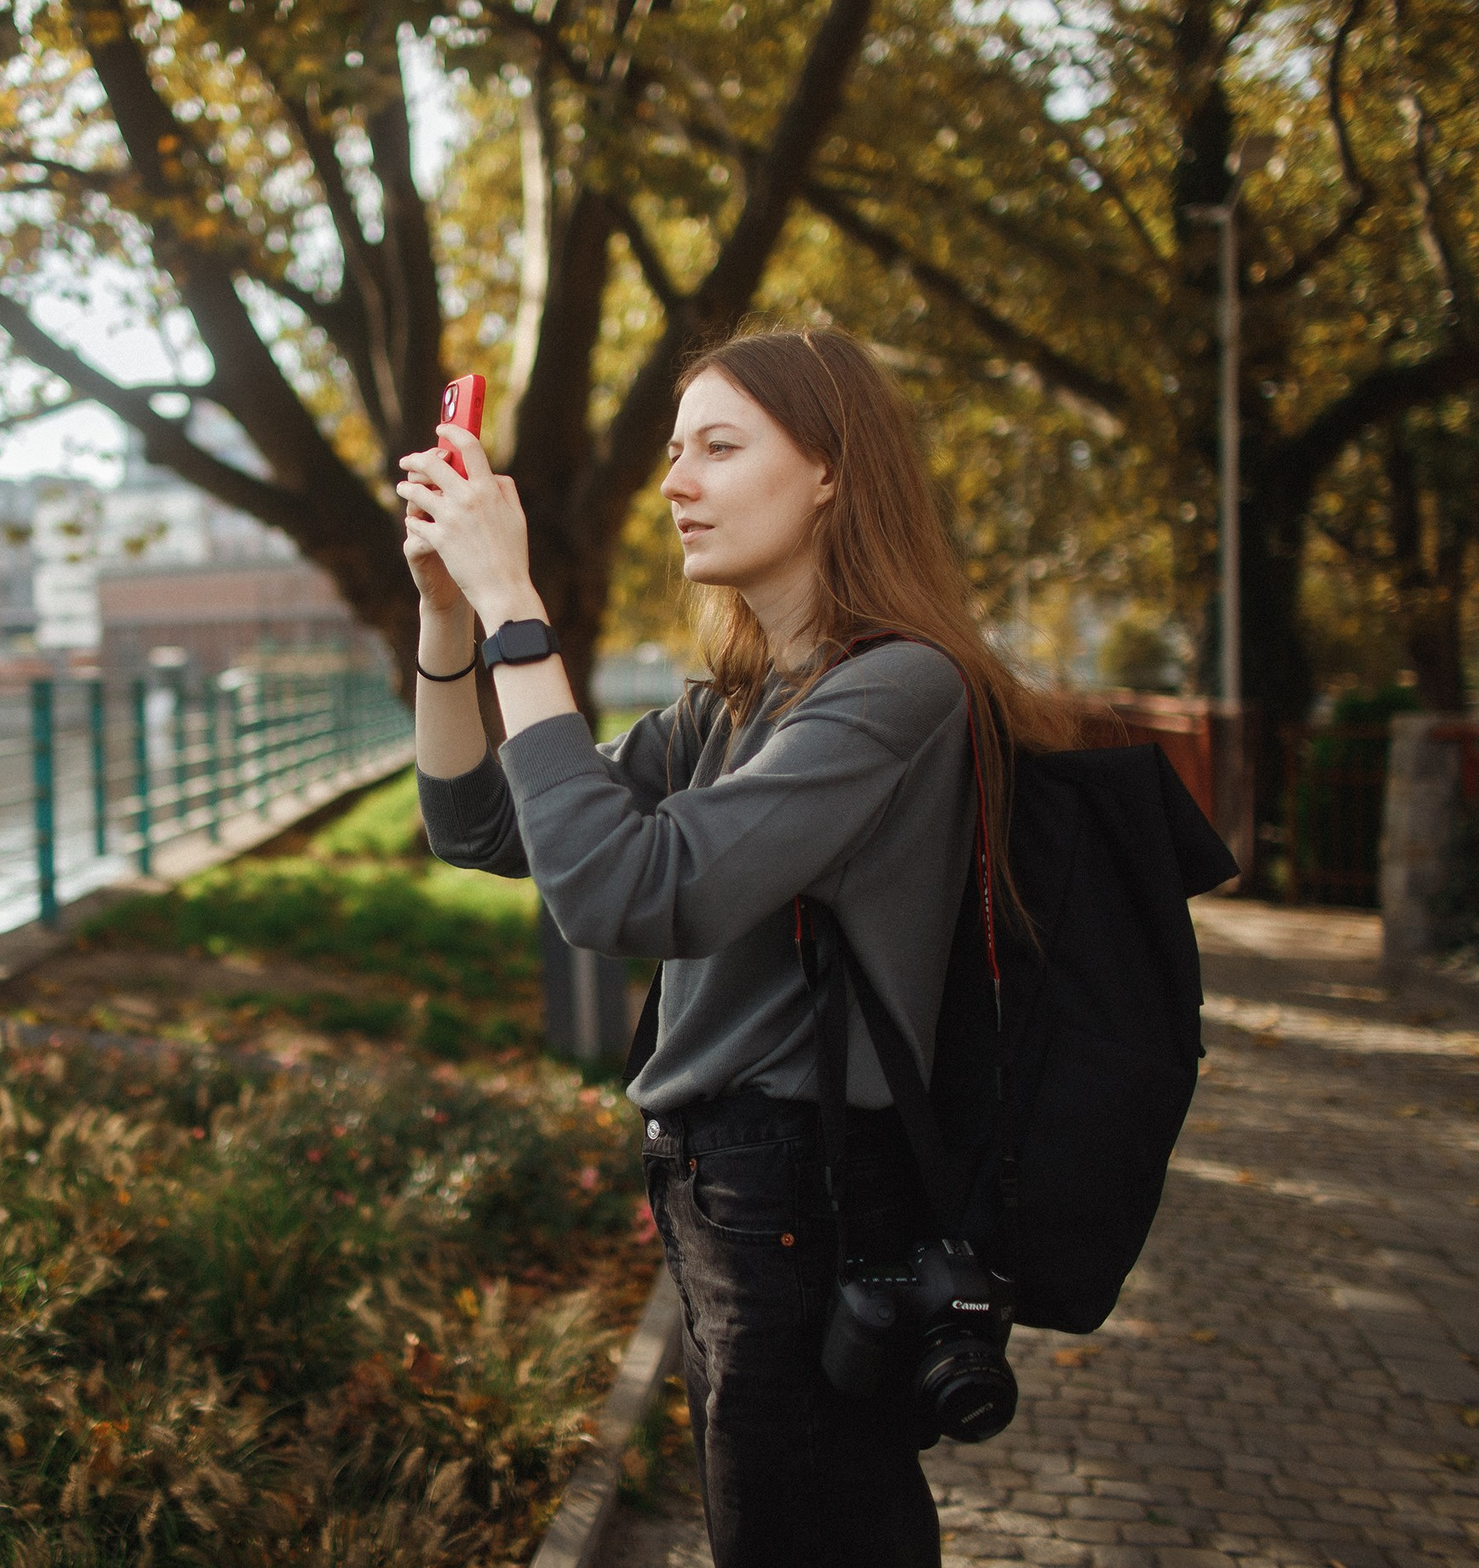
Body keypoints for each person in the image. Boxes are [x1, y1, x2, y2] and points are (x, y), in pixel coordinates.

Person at [397, 326, 1071, 1567]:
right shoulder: (735, 702)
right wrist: (449, 617)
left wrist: (516, 608)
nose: (674, 483)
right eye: (672, 451)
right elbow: (480, 825)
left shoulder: (899, 689)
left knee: (800, 1535)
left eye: (718, 446)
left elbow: (621, 894)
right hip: (726, 1190)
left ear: (829, 471)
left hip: (805, 1187)